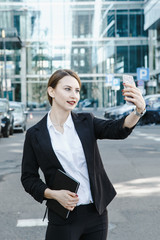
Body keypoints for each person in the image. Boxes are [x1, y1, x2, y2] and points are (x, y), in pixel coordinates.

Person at [21, 69, 146, 240]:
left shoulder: (86, 122)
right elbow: (28, 178)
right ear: (52, 92)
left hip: (96, 214)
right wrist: (54, 194)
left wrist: (138, 112)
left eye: (77, 90)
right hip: (62, 216)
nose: (74, 95)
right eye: (67, 89)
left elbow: (117, 129)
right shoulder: (35, 134)